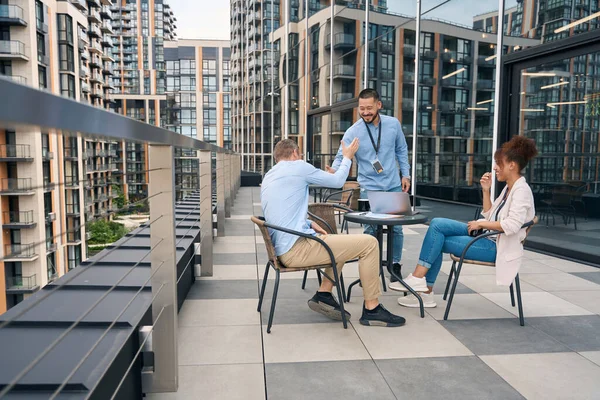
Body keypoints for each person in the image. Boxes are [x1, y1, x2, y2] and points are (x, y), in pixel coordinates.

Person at [261, 139, 406, 327]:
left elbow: (279, 211)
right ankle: (372, 309)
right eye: (300, 154)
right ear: (295, 153)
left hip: (284, 248)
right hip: (295, 250)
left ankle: (324, 294)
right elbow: (337, 182)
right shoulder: (297, 167)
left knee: (339, 243)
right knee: (370, 243)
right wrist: (347, 157)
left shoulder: (270, 176)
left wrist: (307, 222)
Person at [390, 136, 538, 308]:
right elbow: (491, 215)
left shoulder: (521, 191)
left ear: (512, 165)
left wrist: (480, 224)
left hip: (496, 248)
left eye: (499, 163)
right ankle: (420, 283)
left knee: (438, 240)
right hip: (489, 237)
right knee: (437, 224)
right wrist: (486, 191)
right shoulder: (509, 187)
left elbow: (511, 226)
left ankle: (422, 285)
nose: (495, 167)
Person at [328, 88, 411, 282]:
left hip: (392, 185)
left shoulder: (393, 124)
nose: (365, 112)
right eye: (362, 108)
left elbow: (401, 150)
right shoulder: (353, 131)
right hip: (369, 187)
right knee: (370, 229)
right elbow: (342, 156)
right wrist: (334, 171)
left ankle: (395, 265)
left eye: (369, 108)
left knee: (397, 228)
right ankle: (371, 266)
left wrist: (405, 174)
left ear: (379, 105)